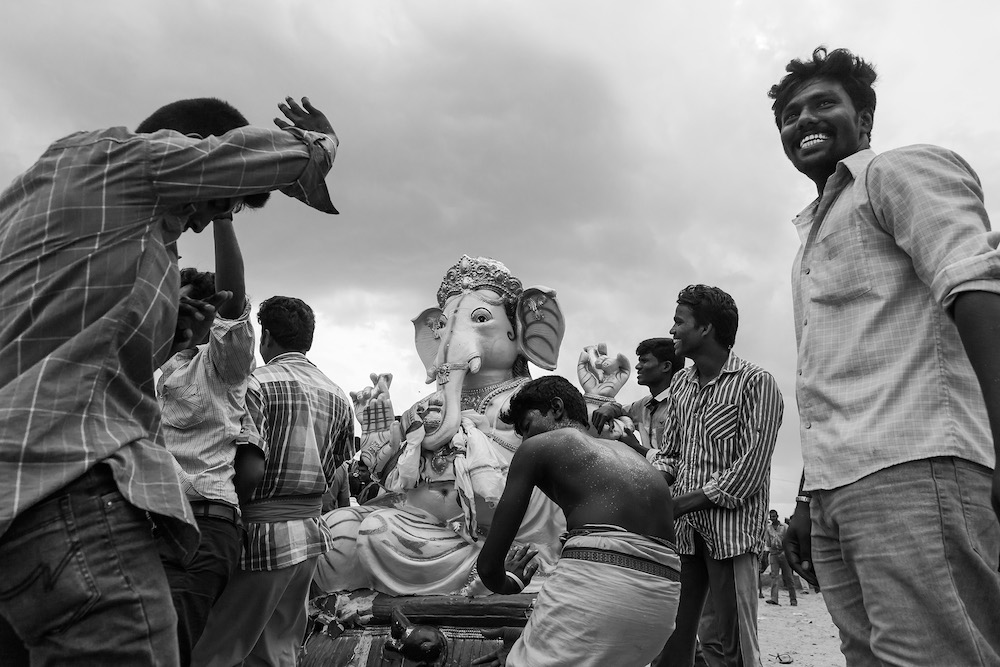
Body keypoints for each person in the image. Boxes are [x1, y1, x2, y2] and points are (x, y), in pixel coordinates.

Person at [0, 95, 339, 664]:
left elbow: (71, 345)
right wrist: (319, 148)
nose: (204, 221)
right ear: (189, 150)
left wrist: (170, 330)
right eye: (217, 204)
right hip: (63, 476)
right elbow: (271, 155)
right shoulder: (128, 160)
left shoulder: (54, 197)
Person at [769, 46, 1000, 665]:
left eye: (823, 104)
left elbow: (973, 282)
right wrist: (804, 503)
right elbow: (824, 377)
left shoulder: (896, 173)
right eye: (790, 114)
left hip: (915, 463)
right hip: (838, 490)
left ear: (864, 120)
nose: (803, 119)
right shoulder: (809, 238)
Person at [473, 376, 681, 667]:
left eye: (527, 427)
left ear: (556, 408)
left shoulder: (539, 448)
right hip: (661, 605)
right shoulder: (634, 458)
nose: (524, 440)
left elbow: (487, 567)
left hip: (598, 592)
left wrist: (509, 581)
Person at [192, 295, 354, 667]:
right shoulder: (338, 394)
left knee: (217, 650)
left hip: (261, 534)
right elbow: (337, 468)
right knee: (279, 650)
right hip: (309, 535)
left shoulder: (257, 384)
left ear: (265, 337)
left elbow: (249, 469)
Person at [653, 285, 784, 667]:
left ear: (706, 328)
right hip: (685, 535)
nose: (673, 330)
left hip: (732, 536)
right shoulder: (681, 385)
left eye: (680, 321)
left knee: (732, 647)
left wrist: (681, 503)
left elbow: (750, 468)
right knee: (679, 636)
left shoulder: (755, 382)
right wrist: (646, 486)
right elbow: (671, 454)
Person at [156, 217, 264, 665]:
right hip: (146, 523)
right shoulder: (152, 363)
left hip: (201, 528)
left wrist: (222, 214)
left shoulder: (222, 365)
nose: (167, 312)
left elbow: (235, 305)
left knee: (166, 649)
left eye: (178, 305)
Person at [591, 337, 683, 465]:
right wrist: (610, 407)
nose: (638, 366)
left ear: (666, 366)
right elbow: (621, 409)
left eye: (644, 361)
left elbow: (681, 457)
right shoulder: (644, 405)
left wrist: (636, 448)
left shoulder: (683, 405)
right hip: (651, 478)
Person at [764, 510, 796, 607]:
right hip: (774, 553)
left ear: (777, 516)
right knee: (774, 576)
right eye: (771, 517)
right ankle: (774, 598)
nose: (773, 518)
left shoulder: (785, 527)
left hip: (784, 553)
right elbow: (768, 542)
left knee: (789, 577)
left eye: (774, 516)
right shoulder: (768, 529)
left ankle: (793, 599)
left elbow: (789, 540)